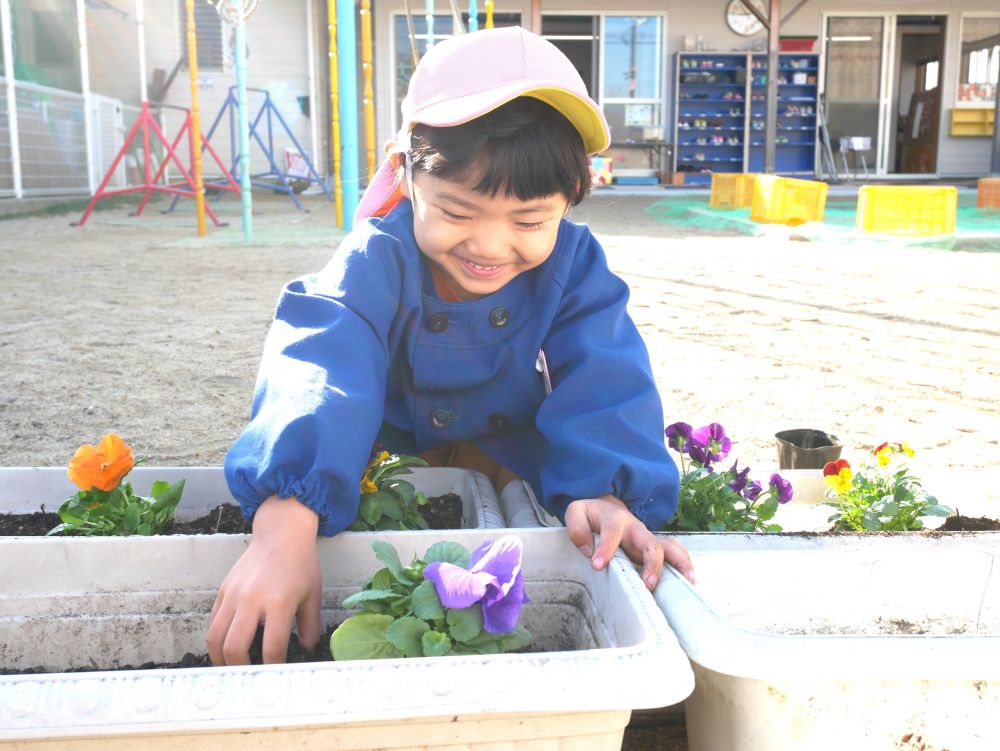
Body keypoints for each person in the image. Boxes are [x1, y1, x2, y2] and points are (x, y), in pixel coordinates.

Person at [208, 26, 694, 667]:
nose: (490, 247)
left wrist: (605, 490)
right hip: (373, 460)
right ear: (404, 173)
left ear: (574, 197)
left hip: (501, 460)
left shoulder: (575, 265)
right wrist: (286, 520)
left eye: (530, 221)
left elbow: (605, 371)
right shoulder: (377, 254)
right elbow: (324, 362)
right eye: (458, 213)